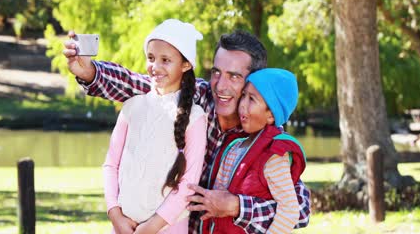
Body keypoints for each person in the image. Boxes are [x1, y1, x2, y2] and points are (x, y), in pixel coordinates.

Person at [63, 29, 311, 233]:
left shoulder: (265, 138)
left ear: (254, 82)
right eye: (216, 72)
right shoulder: (197, 97)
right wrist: (91, 72)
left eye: (234, 76)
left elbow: (300, 209)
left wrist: (237, 206)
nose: (221, 86)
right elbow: (137, 84)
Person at [102, 19, 207, 233]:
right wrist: (115, 214)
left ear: (185, 65)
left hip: (168, 228)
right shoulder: (132, 107)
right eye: (151, 58)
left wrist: (151, 227)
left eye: (165, 60)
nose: (155, 67)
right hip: (123, 227)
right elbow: (111, 164)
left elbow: (188, 182)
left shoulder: (195, 118)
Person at [201, 68, 306, 234]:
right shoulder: (236, 144)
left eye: (252, 99)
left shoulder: (274, 156)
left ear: (271, 115)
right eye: (244, 95)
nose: (242, 104)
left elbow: (290, 210)